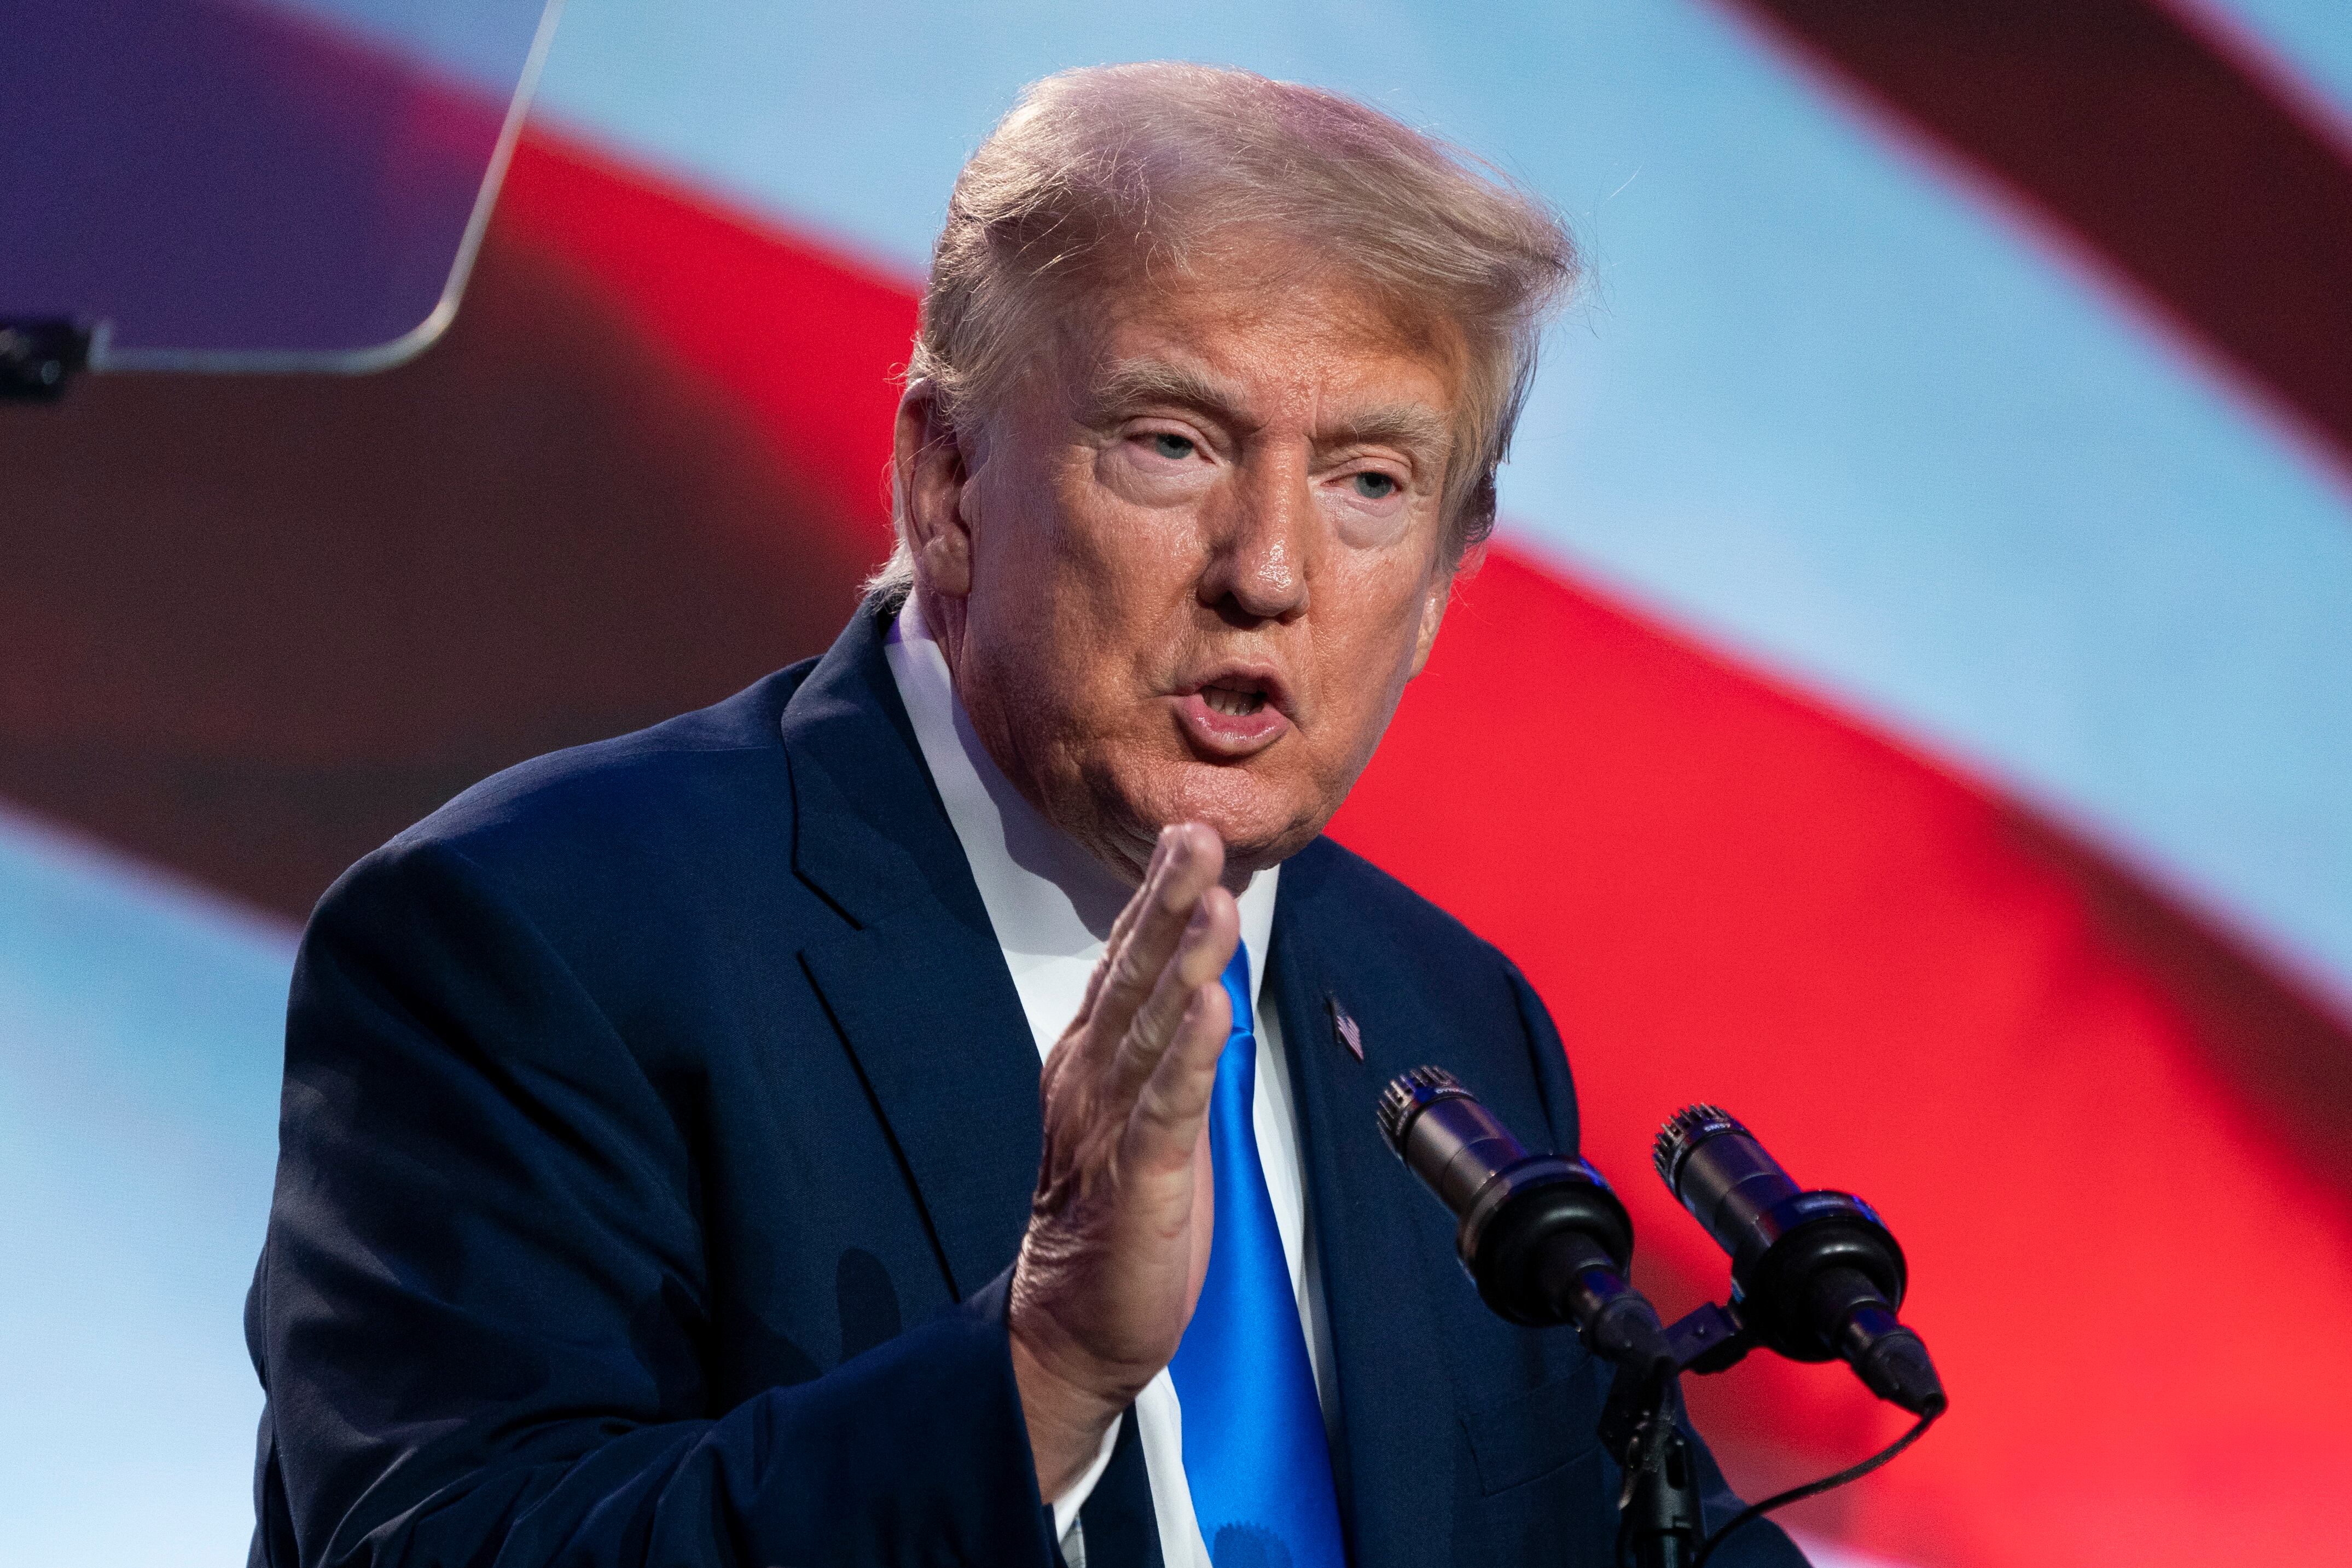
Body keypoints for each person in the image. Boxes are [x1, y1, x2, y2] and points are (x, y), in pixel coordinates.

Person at [245, 62, 1804, 1568]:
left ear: (1447, 579)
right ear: (945, 481)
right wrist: (1040, 1371)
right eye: (1173, 443)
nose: (1267, 567)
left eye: (1369, 481)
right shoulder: (541, 941)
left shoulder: (1442, 1012)